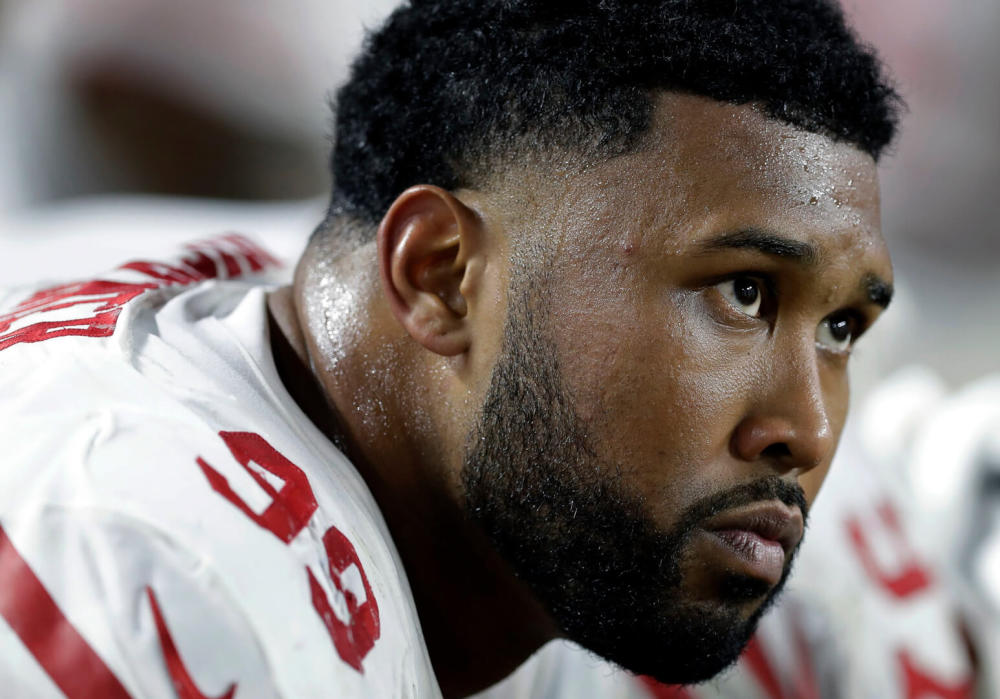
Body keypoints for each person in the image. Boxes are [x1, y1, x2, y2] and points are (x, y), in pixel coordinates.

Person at [0, 1, 900, 697]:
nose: (808, 429)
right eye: (743, 294)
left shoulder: (385, 367)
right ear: (437, 276)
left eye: (840, 327)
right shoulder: (148, 572)